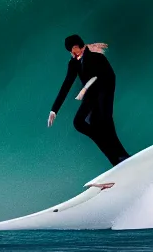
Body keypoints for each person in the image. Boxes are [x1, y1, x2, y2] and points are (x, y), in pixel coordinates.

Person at [47, 34, 130, 167]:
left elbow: (103, 77)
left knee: (105, 120)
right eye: (70, 50)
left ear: (81, 46)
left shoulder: (97, 58)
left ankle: (123, 156)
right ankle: (114, 157)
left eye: (74, 48)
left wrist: (85, 88)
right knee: (79, 122)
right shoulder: (74, 63)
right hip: (91, 95)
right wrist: (54, 110)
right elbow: (66, 84)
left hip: (104, 88)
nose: (73, 53)